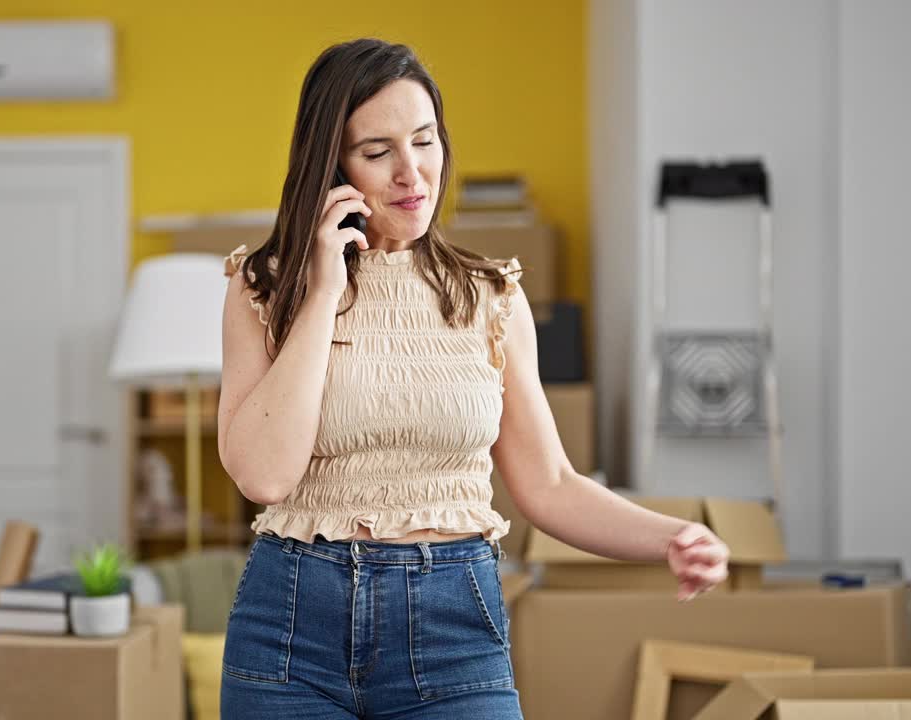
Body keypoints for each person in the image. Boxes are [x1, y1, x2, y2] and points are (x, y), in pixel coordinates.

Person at [216, 38, 730, 719]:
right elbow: (264, 477)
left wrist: (670, 538)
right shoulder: (265, 288)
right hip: (290, 632)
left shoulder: (490, 296)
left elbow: (549, 485)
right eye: (378, 153)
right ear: (330, 166)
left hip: (452, 628)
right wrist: (321, 293)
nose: (413, 174)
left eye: (425, 142)